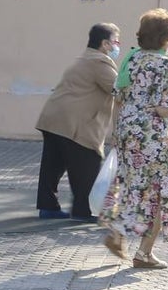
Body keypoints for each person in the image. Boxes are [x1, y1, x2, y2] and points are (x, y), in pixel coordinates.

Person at [99, 8, 168, 270]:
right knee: (159, 192)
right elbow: (165, 108)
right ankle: (144, 253)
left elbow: (118, 97)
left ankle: (117, 234)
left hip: (127, 132)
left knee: (130, 185)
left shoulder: (131, 59)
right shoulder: (165, 65)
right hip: (152, 137)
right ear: (166, 38)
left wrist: (116, 132)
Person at [34, 23, 120, 222]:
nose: (117, 46)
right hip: (75, 124)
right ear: (105, 44)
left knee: (53, 165)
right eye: (116, 42)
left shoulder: (83, 58)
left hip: (53, 118)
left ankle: (48, 207)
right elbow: (119, 89)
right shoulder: (99, 63)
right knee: (88, 164)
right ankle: (83, 211)